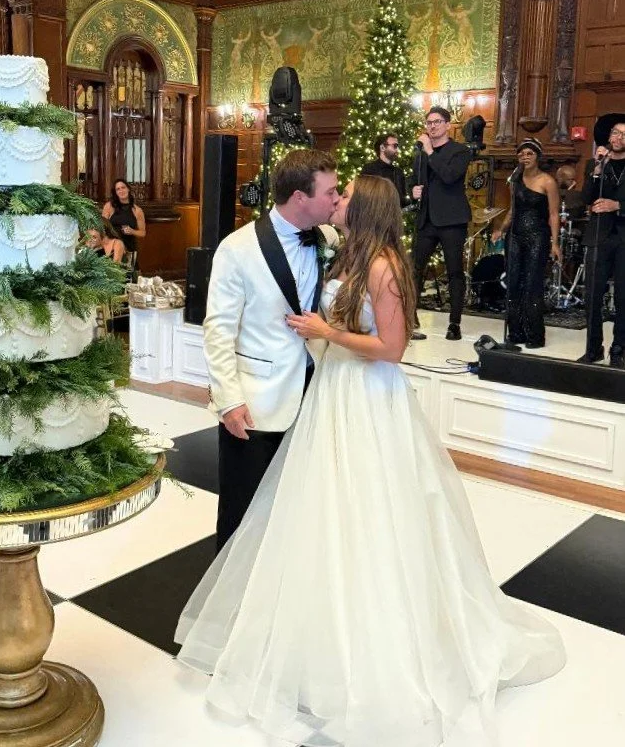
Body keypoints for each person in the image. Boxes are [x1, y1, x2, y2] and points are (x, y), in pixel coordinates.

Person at [176, 175, 565, 747]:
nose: (339, 202)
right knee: (318, 510)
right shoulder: (343, 249)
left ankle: (374, 640)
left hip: (366, 397)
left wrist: (326, 331)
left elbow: (392, 348)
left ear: (368, 209)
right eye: (335, 193)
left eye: (347, 197)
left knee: (370, 510)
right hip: (329, 392)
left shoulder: (382, 265)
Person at [203, 148, 340, 551]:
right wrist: (228, 400)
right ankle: (229, 599)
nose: (336, 199)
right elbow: (218, 329)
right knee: (241, 509)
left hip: (315, 392)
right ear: (301, 197)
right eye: (330, 191)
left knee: (295, 506)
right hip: (256, 400)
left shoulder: (328, 239)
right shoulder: (236, 249)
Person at [492, 139, 561, 348]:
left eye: (529, 153)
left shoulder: (547, 181)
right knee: (513, 283)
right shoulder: (515, 180)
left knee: (532, 284)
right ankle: (516, 332)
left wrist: (555, 243)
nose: (525, 157)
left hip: (537, 237)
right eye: (522, 154)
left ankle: (535, 335)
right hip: (515, 236)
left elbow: (553, 213)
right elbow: (512, 210)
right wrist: (501, 229)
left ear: (537, 156)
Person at [411, 106, 472, 340]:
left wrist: (429, 151)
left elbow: (449, 176)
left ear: (448, 125)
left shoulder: (460, 151)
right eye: (428, 123)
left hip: (451, 220)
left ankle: (454, 323)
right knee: (414, 269)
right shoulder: (421, 154)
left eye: (437, 122)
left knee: (455, 272)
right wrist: (413, 190)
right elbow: (413, 179)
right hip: (426, 219)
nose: (432, 126)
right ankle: (410, 316)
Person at [578, 114, 625, 367]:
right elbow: (586, 197)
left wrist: (616, 205)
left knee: (623, 298)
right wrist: (596, 171)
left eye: (624, 135)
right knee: (593, 296)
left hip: (623, 238)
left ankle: (619, 349)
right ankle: (593, 348)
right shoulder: (597, 164)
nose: (618, 138)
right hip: (599, 235)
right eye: (615, 133)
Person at [360, 131, 407, 205]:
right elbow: (363, 199)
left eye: (397, 146)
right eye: (394, 146)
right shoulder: (369, 169)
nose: (397, 150)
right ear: (382, 147)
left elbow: (402, 200)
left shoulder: (399, 172)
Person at [101, 179, 146, 256]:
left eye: (123, 187)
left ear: (128, 189)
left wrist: (132, 231)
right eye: (118, 189)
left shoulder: (137, 210)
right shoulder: (109, 206)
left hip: (129, 247)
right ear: (115, 193)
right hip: (112, 247)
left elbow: (143, 233)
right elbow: (101, 227)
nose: (121, 190)